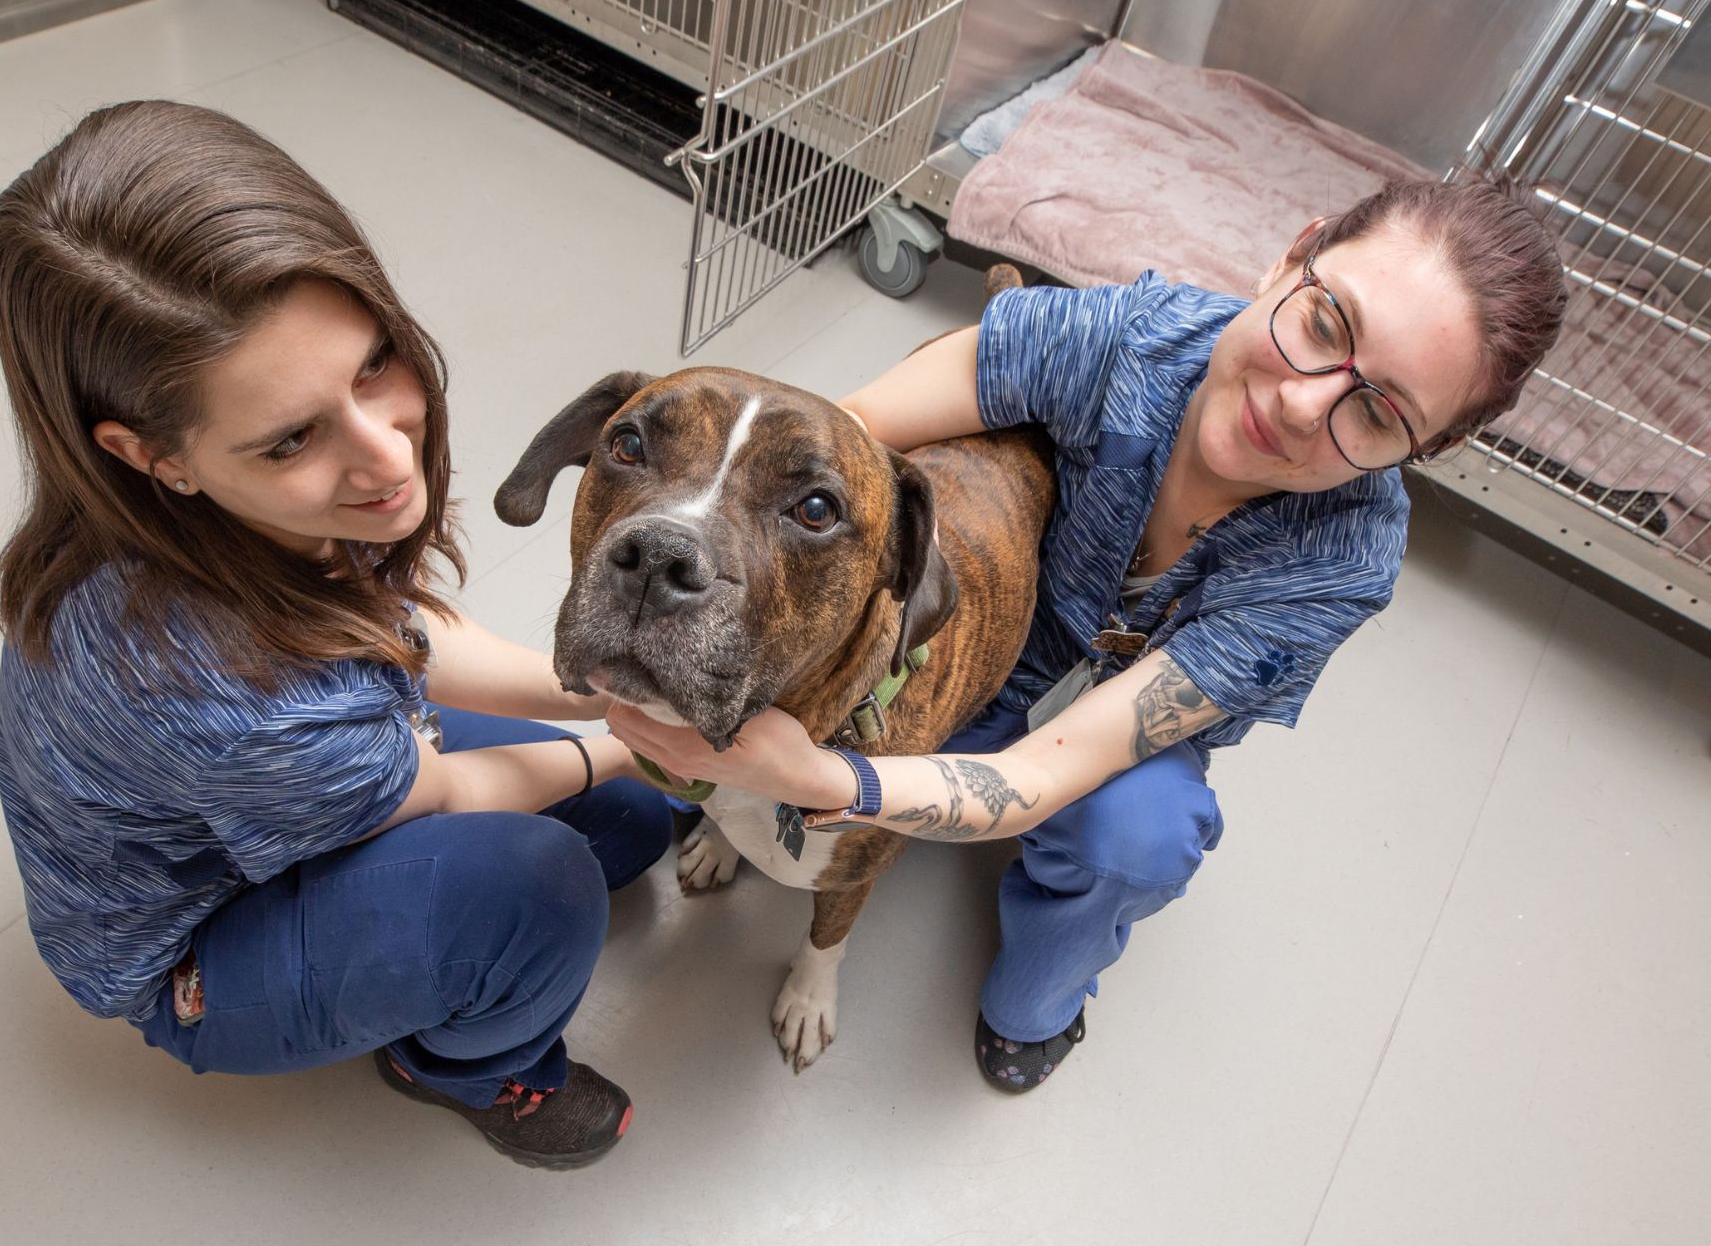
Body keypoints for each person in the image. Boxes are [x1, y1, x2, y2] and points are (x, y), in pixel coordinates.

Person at [610, 177, 1567, 1093]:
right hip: (984, 642)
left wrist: (827, 780)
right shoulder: (1130, 341)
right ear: (1295, 255)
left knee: (1138, 837)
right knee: (798, 625)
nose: (1301, 402)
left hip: (1106, 732)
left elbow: (1046, 775)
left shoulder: (1340, 563)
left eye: (1382, 411)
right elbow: (824, 453)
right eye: (1325, 323)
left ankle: (1038, 1001)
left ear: (1425, 452)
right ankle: (734, 797)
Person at [0, 100, 678, 1168]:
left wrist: (595, 691)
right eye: (294, 437)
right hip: (197, 941)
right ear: (153, 453)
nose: (389, 460)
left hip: (288, 762)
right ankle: (459, 1066)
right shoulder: (221, 698)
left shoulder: (217, 502)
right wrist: (649, 728)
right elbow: (446, 788)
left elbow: (392, 624)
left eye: (372, 365)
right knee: (547, 886)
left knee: (634, 818)